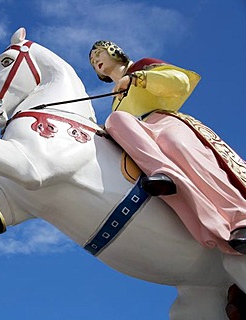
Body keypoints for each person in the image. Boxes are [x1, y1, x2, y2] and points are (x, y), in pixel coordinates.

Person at [89, 40, 246, 255]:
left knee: (179, 146)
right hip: (141, 140)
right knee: (115, 120)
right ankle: (167, 178)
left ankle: (240, 218)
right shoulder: (115, 103)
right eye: (92, 60)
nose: (96, 60)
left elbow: (180, 82)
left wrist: (138, 78)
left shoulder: (143, 67)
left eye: (98, 53)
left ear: (115, 51)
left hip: (161, 122)